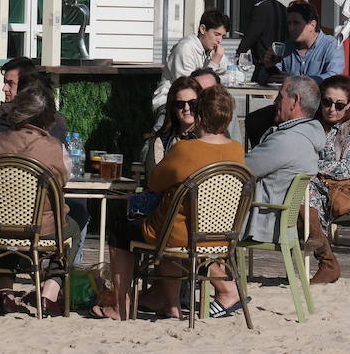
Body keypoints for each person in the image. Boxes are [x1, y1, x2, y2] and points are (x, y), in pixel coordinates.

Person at [96, 85, 245, 320]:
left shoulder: (185, 149)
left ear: (200, 115)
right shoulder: (237, 150)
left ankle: (121, 306)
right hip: (221, 235)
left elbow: (155, 181)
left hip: (181, 234)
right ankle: (172, 306)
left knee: (120, 227)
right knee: (171, 222)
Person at [0, 84, 75, 314]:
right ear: (49, 116)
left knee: (8, 227)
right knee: (72, 226)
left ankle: (5, 291)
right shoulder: (53, 148)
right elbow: (62, 181)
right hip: (40, 229)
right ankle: (49, 293)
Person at [304, 74, 350, 285]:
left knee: (303, 191)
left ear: (349, 104)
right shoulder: (313, 125)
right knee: (297, 191)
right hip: (321, 187)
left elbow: (346, 169)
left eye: (339, 105)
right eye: (326, 102)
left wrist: (309, 167)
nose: (331, 109)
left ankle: (325, 259)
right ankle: (326, 260)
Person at [245, 76, 326, 248]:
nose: (275, 102)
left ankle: (214, 268)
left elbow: (242, 170)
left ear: (295, 100)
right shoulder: (309, 135)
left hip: (262, 220)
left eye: (280, 97)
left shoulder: (287, 140)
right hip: (279, 219)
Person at [152, 9, 229, 111]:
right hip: (173, 102)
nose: (219, 40)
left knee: (228, 108)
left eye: (222, 36)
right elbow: (190, 87)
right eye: (216, 34)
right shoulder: (185, 48)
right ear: (202, 29)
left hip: (198, 101)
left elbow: (227, 72)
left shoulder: (212, 50)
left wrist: (218, 60)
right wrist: (214, 63)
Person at [263, 1, 344, 84]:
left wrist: (295, 81)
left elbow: (333, 78)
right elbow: (276, 79)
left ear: (312, 25)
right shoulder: (286, 46)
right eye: (289, 23)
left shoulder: (331, 45)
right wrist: (270, 67)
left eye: (296, 23)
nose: (291, 28)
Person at [140, 75, 202, 180]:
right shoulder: (162, 141)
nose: (186, 108)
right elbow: (154, 180)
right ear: (173, 107)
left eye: (193, 103)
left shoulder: (213, 136)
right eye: (180, 104)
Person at [236, 0, 287, 83]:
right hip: (281, 59)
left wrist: (240, 53)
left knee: (258, 92)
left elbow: (252, 33)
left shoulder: (260, 8)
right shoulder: (283, 8)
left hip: (264, 61)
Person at [188, 67, 243, 145]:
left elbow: (235, 142)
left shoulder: (225, 112)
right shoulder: (183, 109)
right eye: (200, 91)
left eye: (211, 92)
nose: (205, 97)